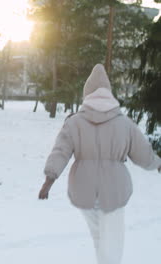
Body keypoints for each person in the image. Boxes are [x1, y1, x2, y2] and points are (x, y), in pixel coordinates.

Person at [38, 64, 161, 264]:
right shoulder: (125, 123)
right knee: (113, 242)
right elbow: (143, 153)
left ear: (87, 94)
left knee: (100, 239)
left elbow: (60, 152)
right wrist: (157, 164)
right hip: (114, 189)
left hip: (83, 189)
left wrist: (49, 179)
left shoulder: (74, 122)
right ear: (109, 94)